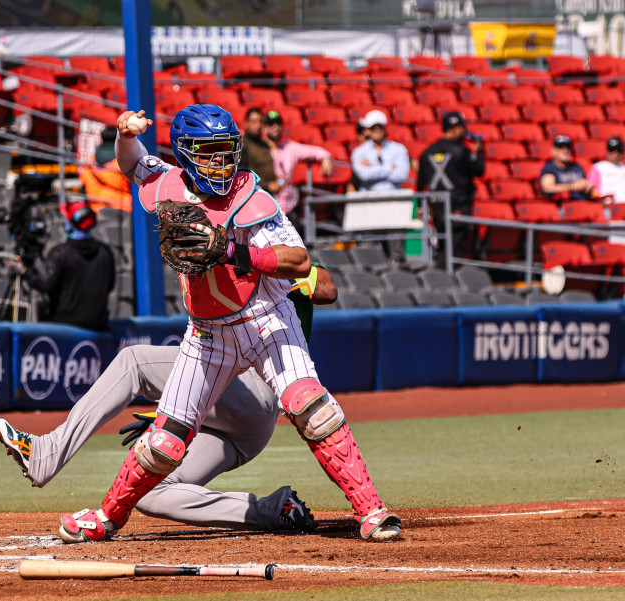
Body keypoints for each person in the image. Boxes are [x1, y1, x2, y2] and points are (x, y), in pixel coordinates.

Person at [51, 103, 401, 546]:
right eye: (208, 151)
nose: (220, 161)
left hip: (267, 320)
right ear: (184, 153)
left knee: (312, 408)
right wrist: (124, 134)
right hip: (208, 332)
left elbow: (299, 261)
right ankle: (105, 517)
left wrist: (235, 252)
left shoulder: (251, 197)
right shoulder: (168, 182)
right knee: (164, 441)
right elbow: (134, 163)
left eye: (225, 150)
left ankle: (371, 510)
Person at [0, 264, 336, 533]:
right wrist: (175, 411)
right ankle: (274, 510)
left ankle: (48, 453)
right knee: (151, 489)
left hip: (256, 387)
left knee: (134, 362)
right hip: (243, 427)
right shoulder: (212, 273)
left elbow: (327, 288)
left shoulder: (266, 252)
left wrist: (270, 266)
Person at [12, 200, 115, 331]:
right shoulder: (105, 252)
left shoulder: (60, 253)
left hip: (66, 326)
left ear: (70, 224)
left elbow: (45, 284)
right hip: (97, 325)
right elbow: (110, 285)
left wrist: (23, 270)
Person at [417, 111, 485, 267]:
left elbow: (421, 182)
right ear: (455, 129)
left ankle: (442, 277)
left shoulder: (428, 152)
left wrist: (421, 205)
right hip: (459, 204)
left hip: (437, 206)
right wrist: (480, 151)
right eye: (462, 128)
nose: (464, 132)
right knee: (457, 247)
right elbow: (479, 170)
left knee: (443, 244)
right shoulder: (462, 151)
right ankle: (449, 280)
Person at [350, 109, 411, 263]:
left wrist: (372, 168)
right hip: (369, 202)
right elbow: (363, 175)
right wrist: (390, 168)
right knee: (368, 242)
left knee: (396, 242)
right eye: (373, 128)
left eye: (379, 127)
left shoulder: (399, 149)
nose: (376, 131)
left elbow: (402, 174)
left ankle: (398, 269)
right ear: (368, 130)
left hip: (393, 201)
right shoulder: (359, 152)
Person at [263, 109, 334, 226]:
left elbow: (315, 151)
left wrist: (325, 157)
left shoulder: (289, 147)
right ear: (264, 128)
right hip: (267, 211)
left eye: (278, 123)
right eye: (270, 124)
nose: (275, 127)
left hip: (288, 210)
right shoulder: (259, 150)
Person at [78, 126, 132, 213]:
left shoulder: (89, 163)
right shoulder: (122, 164)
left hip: (97, 211)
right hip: (123, 211)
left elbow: (83, 184)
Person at [238, 107, 280, 195]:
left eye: (260, 121)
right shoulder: (243, 146)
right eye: (253, 122)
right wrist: (267, 185)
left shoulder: (265, 144)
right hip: (253, 194)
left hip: (269, 195)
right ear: (246, 123)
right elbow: (240, 176)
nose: (257, 125)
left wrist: (279, 180)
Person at [538, 135, 593, 201]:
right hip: (562, 206)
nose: (565, 151)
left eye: (568, 148)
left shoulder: (576, 167)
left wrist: (588, 187)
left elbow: (584, 185)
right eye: (561, 148)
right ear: (554, 151)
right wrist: (572, 187)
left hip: (582, 202)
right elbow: (547, 188)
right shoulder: (550, 168)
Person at [587, 136, 625, 203]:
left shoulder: (623, 167)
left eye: (618, 152)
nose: (615, 155)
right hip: (607, 206)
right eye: (612, 151)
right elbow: (590, 190)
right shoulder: (598, 167)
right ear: (607, 152)